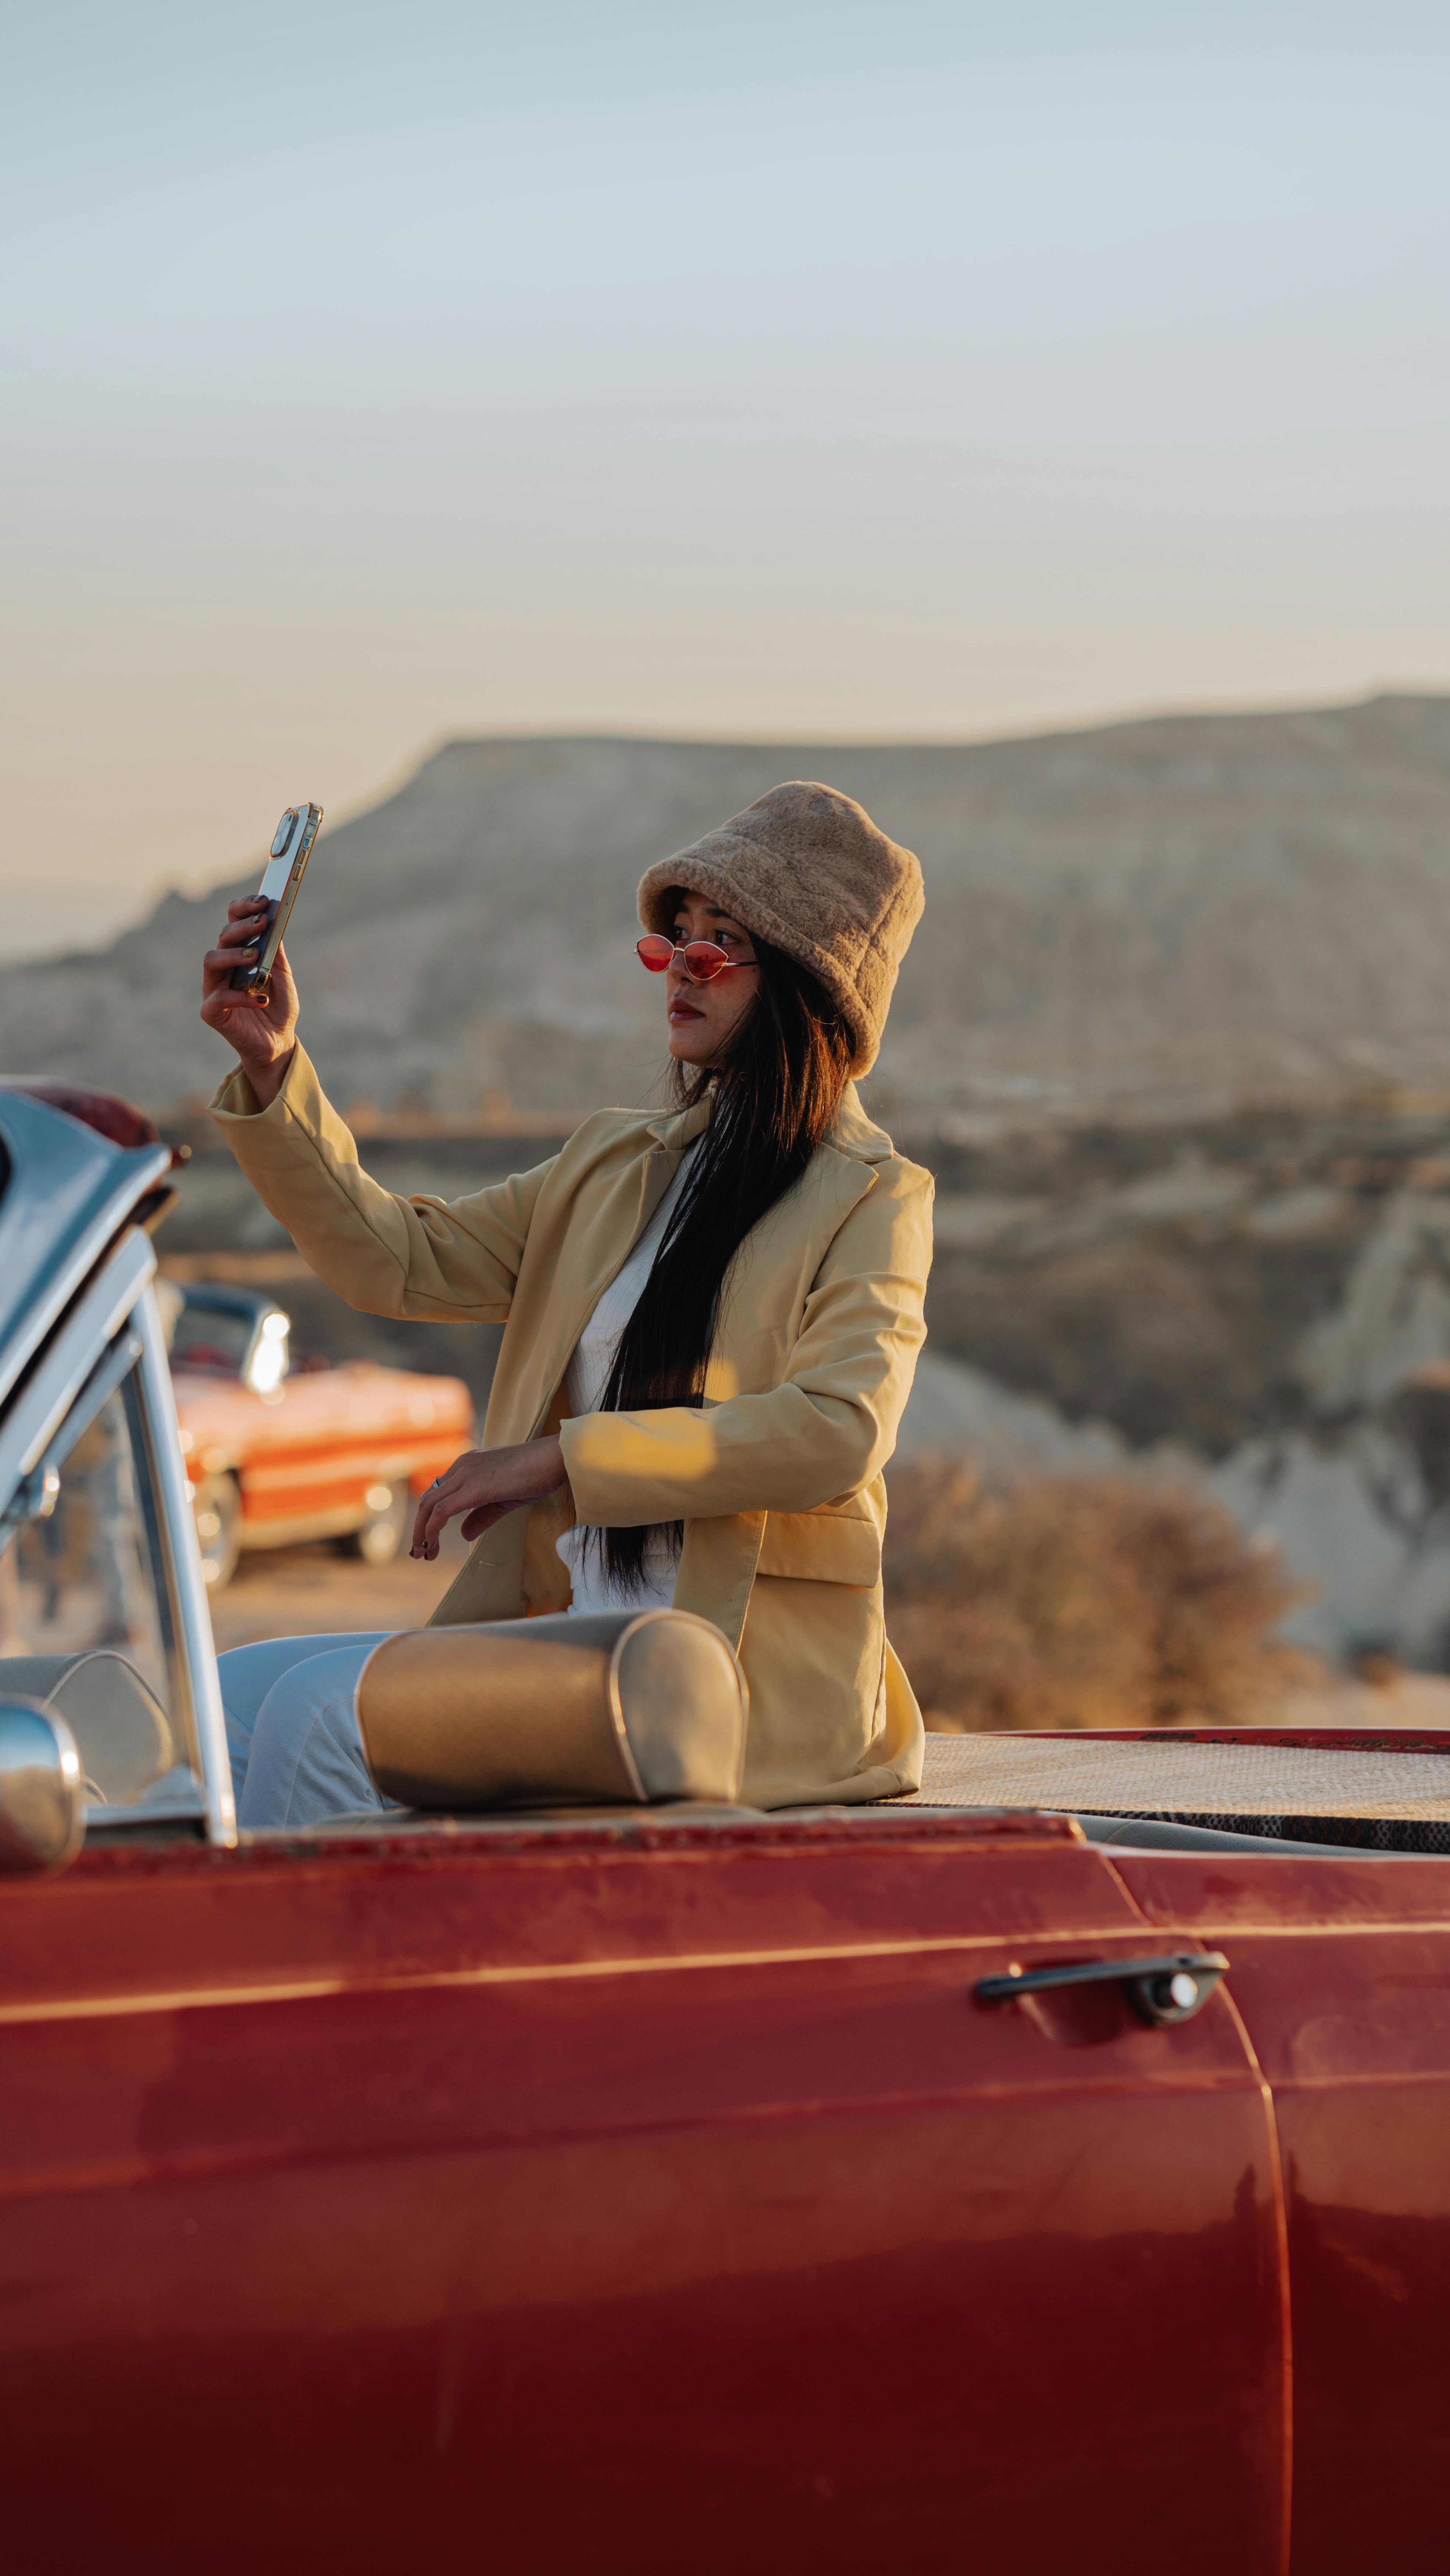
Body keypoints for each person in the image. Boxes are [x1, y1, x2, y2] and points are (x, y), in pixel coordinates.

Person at [201, 781, 933, 1826]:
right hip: (570, 1636)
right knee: (232, 1695)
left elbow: (841, 1428)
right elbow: (394, 1259)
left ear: (810, 986)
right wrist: (274, 1067)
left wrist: (561, 1457)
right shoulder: (613, 1162)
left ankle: (324, 1982)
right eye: (675, 938)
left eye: (721, 944)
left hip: (721, 1682)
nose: (681, 964)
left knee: (323, 1717)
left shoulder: (875, 1196)